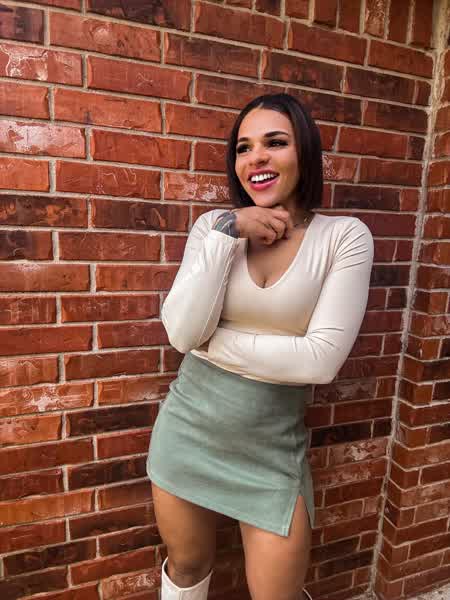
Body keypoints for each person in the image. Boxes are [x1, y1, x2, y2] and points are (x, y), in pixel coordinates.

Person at [147, 93, 374, 600]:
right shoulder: (213, 228)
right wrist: (230, 230)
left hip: (272, 451)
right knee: (186, 567)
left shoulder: (344, 237)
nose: (257, 158)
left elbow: (321, 360)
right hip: (188, 432)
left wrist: (210, 343)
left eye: (275, 142)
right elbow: (182, 333)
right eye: (244, 148)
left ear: (305, 151)